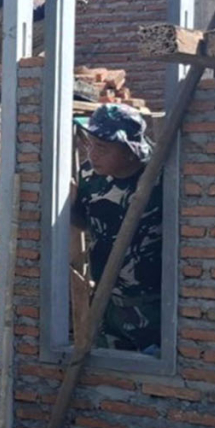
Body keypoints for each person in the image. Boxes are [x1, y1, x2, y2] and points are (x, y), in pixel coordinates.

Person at [71, 104, 163, 355]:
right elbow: (80, 222)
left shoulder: (159, 177)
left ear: (129, 151)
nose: (92, 155)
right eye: (89, 144)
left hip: (154, 306)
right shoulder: (89, 176)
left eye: (102, 148)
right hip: (106, 302)